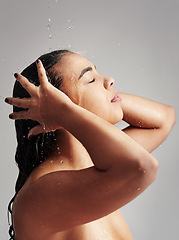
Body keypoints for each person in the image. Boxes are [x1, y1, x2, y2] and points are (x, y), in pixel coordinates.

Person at [5, 49, 175, 240]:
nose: (109, 80)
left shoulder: (95, 165)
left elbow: (164, 119)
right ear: (57, 105)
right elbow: (142, 167)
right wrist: (63, 111)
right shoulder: (37, 197)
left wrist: (107, 100)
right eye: (90, 80)